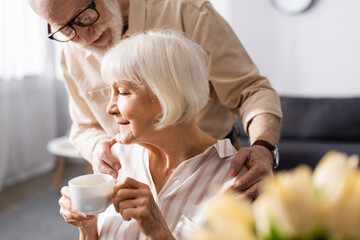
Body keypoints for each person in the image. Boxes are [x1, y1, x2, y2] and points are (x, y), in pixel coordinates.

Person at [29, 0, 282, 199]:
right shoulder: (70, 54)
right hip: (132, 177)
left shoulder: (188, 12)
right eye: (66, 29)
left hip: (212, 170)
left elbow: (251, 90)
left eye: (85, 17)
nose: (85, 37)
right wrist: (96, 147)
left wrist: (264, 148)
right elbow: (83, 126)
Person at [59, 30, 248, 239]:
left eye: (122, 92)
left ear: (167, 95)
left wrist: (159, 233)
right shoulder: (116, 160)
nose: (110, 108)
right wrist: (88, 228)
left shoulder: (237, 180)